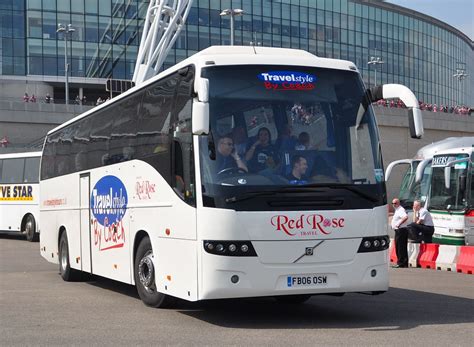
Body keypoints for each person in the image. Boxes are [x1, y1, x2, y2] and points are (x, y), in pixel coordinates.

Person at [391, 198, 409, 268]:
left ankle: (401, 263)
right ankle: (404, 263)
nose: (393, 205)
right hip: (399, 230)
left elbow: (405, 217)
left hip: (401, 230)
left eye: (395, 203)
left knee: (400, 247)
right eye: (392, 203)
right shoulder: (397, 210)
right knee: (400, 247)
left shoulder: (400, 209)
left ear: (398, 203)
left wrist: (398, 224)